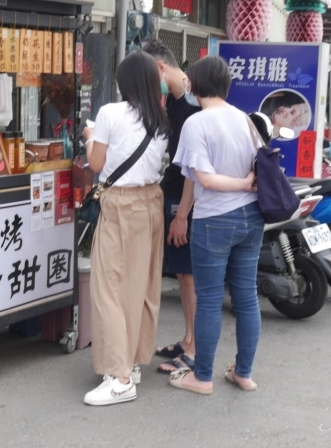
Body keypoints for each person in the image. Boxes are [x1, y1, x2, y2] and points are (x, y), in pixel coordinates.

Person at [169, 55, 262, 395]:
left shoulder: (197, 122)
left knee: (208, 300)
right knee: (247, 298)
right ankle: (244, 373)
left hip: (214, 222)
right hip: (251, 218)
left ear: (193, 85)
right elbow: (194, 178)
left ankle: (202, 377)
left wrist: (239, 184)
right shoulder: (245, 120)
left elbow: (203, 178)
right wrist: (247, 185)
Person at [81, 51, 169, 406]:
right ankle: (131, 362)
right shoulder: (161, 119)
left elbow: (96, 162)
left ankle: (119, 378)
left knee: (108, 289)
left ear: (122, 82)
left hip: (120, 204)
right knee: (139, 287)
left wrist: (90, 135)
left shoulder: (109, 113)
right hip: (152, 202)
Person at [142, 39, 200, 375]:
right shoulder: (177, 100)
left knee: (189, 275)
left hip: (187, 201)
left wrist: (181, 216)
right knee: (183, 273)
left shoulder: (192, 103)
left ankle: (192, 348)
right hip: (176, 195)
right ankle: (187, 339)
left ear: (160, 68)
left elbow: (193, 167)